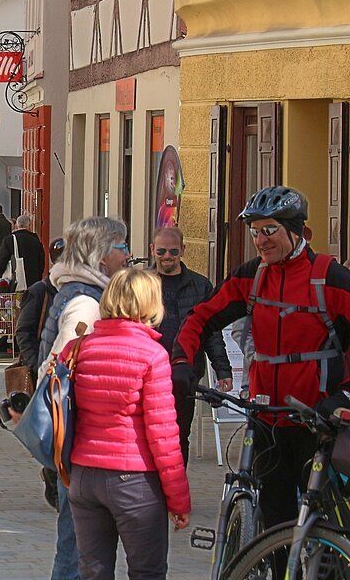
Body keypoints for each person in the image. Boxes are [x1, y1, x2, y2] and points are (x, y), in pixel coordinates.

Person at [172, 186, 350, 530]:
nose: (260, 240)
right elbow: (200, 317)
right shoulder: (251, 276)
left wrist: (343, 394)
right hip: (266, 418)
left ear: (297, 232)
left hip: (317, 421)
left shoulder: (329, 278)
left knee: (327, 522)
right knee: (272, 521)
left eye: (269, 230)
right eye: (254, 231)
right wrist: (181, 363)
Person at [67, 268, 191, 579]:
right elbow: (163, 436)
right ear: (151, 304)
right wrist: (178, 498)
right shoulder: (152, 355)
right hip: (134, 480)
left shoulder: (79, 348)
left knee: (93, 572)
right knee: (146, 571)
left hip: (84, 476)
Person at [41, 215, 130, 580]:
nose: (127, 256)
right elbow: (60, 375)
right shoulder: (85, 305)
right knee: (78, 548)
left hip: (75, 440)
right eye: (122, 247)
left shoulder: (80, 294)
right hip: (80, 440)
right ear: (101, 255)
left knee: (78, 543)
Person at [149, 227, 231, 464]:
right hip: (149, 372)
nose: (167, 256)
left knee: (180, 433)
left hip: (186, 373)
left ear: (183, 250)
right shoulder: (142, 282)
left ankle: (176, 488)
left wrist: (222, 370)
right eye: (161, 250)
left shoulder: (200, 285)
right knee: (150, 433)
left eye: (173, 251)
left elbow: (211, 332)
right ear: (153, 250)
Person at [15, 238, 66, 379]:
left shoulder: (77, 291)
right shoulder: (39, 291)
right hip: (44, 371)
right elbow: (23, 331)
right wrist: (38, 365)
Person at [0, 213, 46, 291]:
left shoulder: (9, 240)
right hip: (33, 281)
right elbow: (41, 262)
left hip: (15, 282)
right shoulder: (36, 241)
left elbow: (2, 260)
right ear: (29, 225)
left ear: (17, 225)